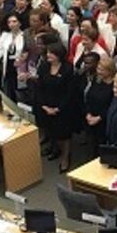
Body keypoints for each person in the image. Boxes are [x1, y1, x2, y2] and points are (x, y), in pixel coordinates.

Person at [35, 43, 74, 172]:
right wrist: (44, 106)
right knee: (51, 130)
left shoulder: (68, 68)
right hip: (46, 105)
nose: (48, 55)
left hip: (63, 108)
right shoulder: (43, 67)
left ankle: (65, 157)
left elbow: (69, 92)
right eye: (47, 52)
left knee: (64, 134)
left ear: (59, 55)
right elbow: (39, 88)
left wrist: (58, 108)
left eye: (51, 53)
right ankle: (54, 149)